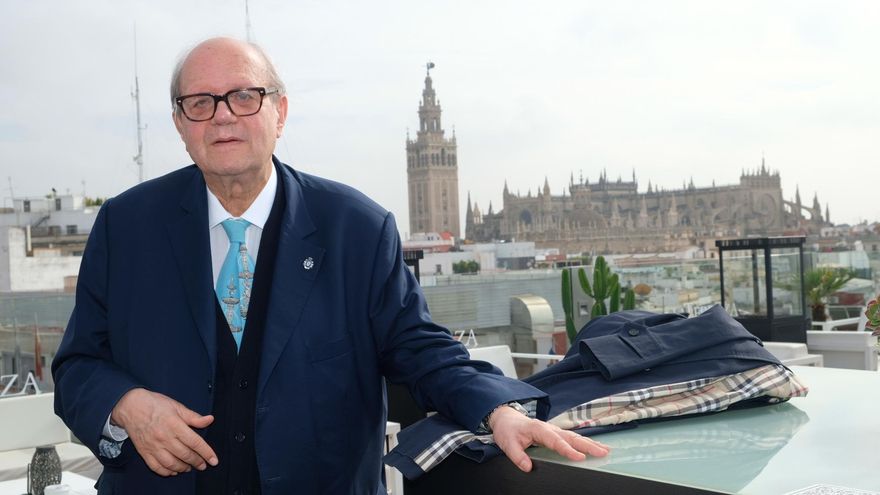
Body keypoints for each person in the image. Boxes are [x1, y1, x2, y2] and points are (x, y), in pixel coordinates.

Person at [52, 37, 608, 494]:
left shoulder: (357, 228)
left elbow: (419, 348)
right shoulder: (126, 228)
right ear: (180, 123)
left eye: (244, 97)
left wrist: (498, 411)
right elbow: (78, 366)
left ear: (280, 111)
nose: (222, 117)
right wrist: (127, 406)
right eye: (200, 102)